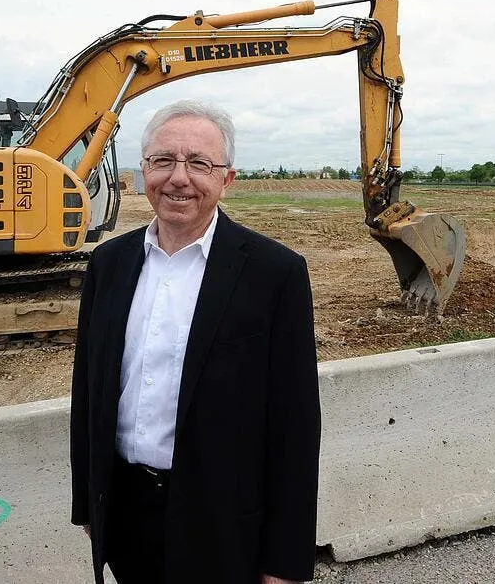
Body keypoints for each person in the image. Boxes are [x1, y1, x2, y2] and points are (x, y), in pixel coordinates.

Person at [69, 99, 322, 584]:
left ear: (227, 179)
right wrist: (89, 502)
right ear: (143, 171)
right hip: (125, 513)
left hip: (221, 521)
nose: (178, 178)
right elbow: (89, 391)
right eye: (163, 160)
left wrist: (284, 561)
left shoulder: (274, 273)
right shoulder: (110, 263)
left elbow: (295, 425)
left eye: (199, 163)